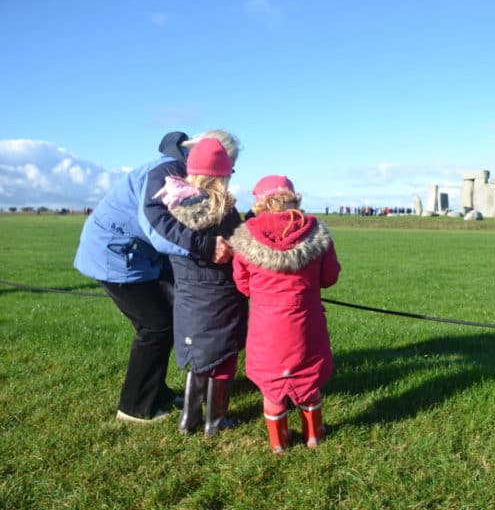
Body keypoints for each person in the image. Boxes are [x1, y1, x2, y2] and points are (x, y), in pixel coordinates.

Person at [73, 130, 239, 423]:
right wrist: (206, 247)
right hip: (116, 255)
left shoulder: (179, 169)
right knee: (155, 326)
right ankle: (135, 407)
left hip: (139, 255)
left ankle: (156, 392)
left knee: (167, 319)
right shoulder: (165, 173)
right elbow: (157, 228)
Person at [230, 175, 341, 453]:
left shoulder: (247, 236)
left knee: (271, 383)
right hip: (306, 320)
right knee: (308, 376)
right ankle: (314, 435)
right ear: (294, 198)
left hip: (266, 325)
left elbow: (242, 283)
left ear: (260, 203)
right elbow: (330, 276)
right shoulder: (316, 232)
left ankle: (278, 442)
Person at [152, 137, 248, 436]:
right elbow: (239, 248)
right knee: (224, 357)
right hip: (221, 295)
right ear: (222, 174)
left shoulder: (173, 205)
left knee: (199, 358)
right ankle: (215, 421)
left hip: (188, 296)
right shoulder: (223, 210)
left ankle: (189, 419)